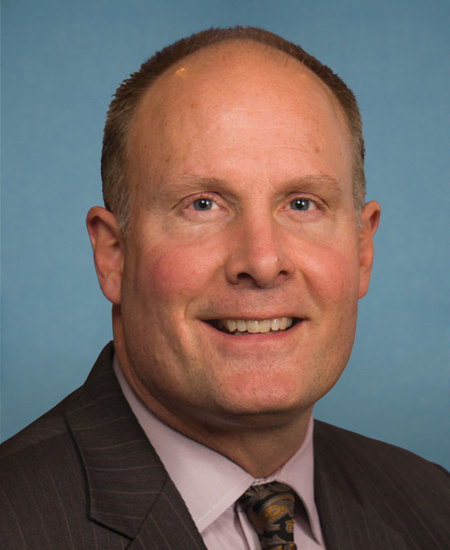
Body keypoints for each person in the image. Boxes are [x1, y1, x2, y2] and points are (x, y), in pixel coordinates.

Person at [1, 26, 448, 550]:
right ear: (113, 255)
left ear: (362, 250)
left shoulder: (433, 507)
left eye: (302, 204)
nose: (262, 262)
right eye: (203, 205)